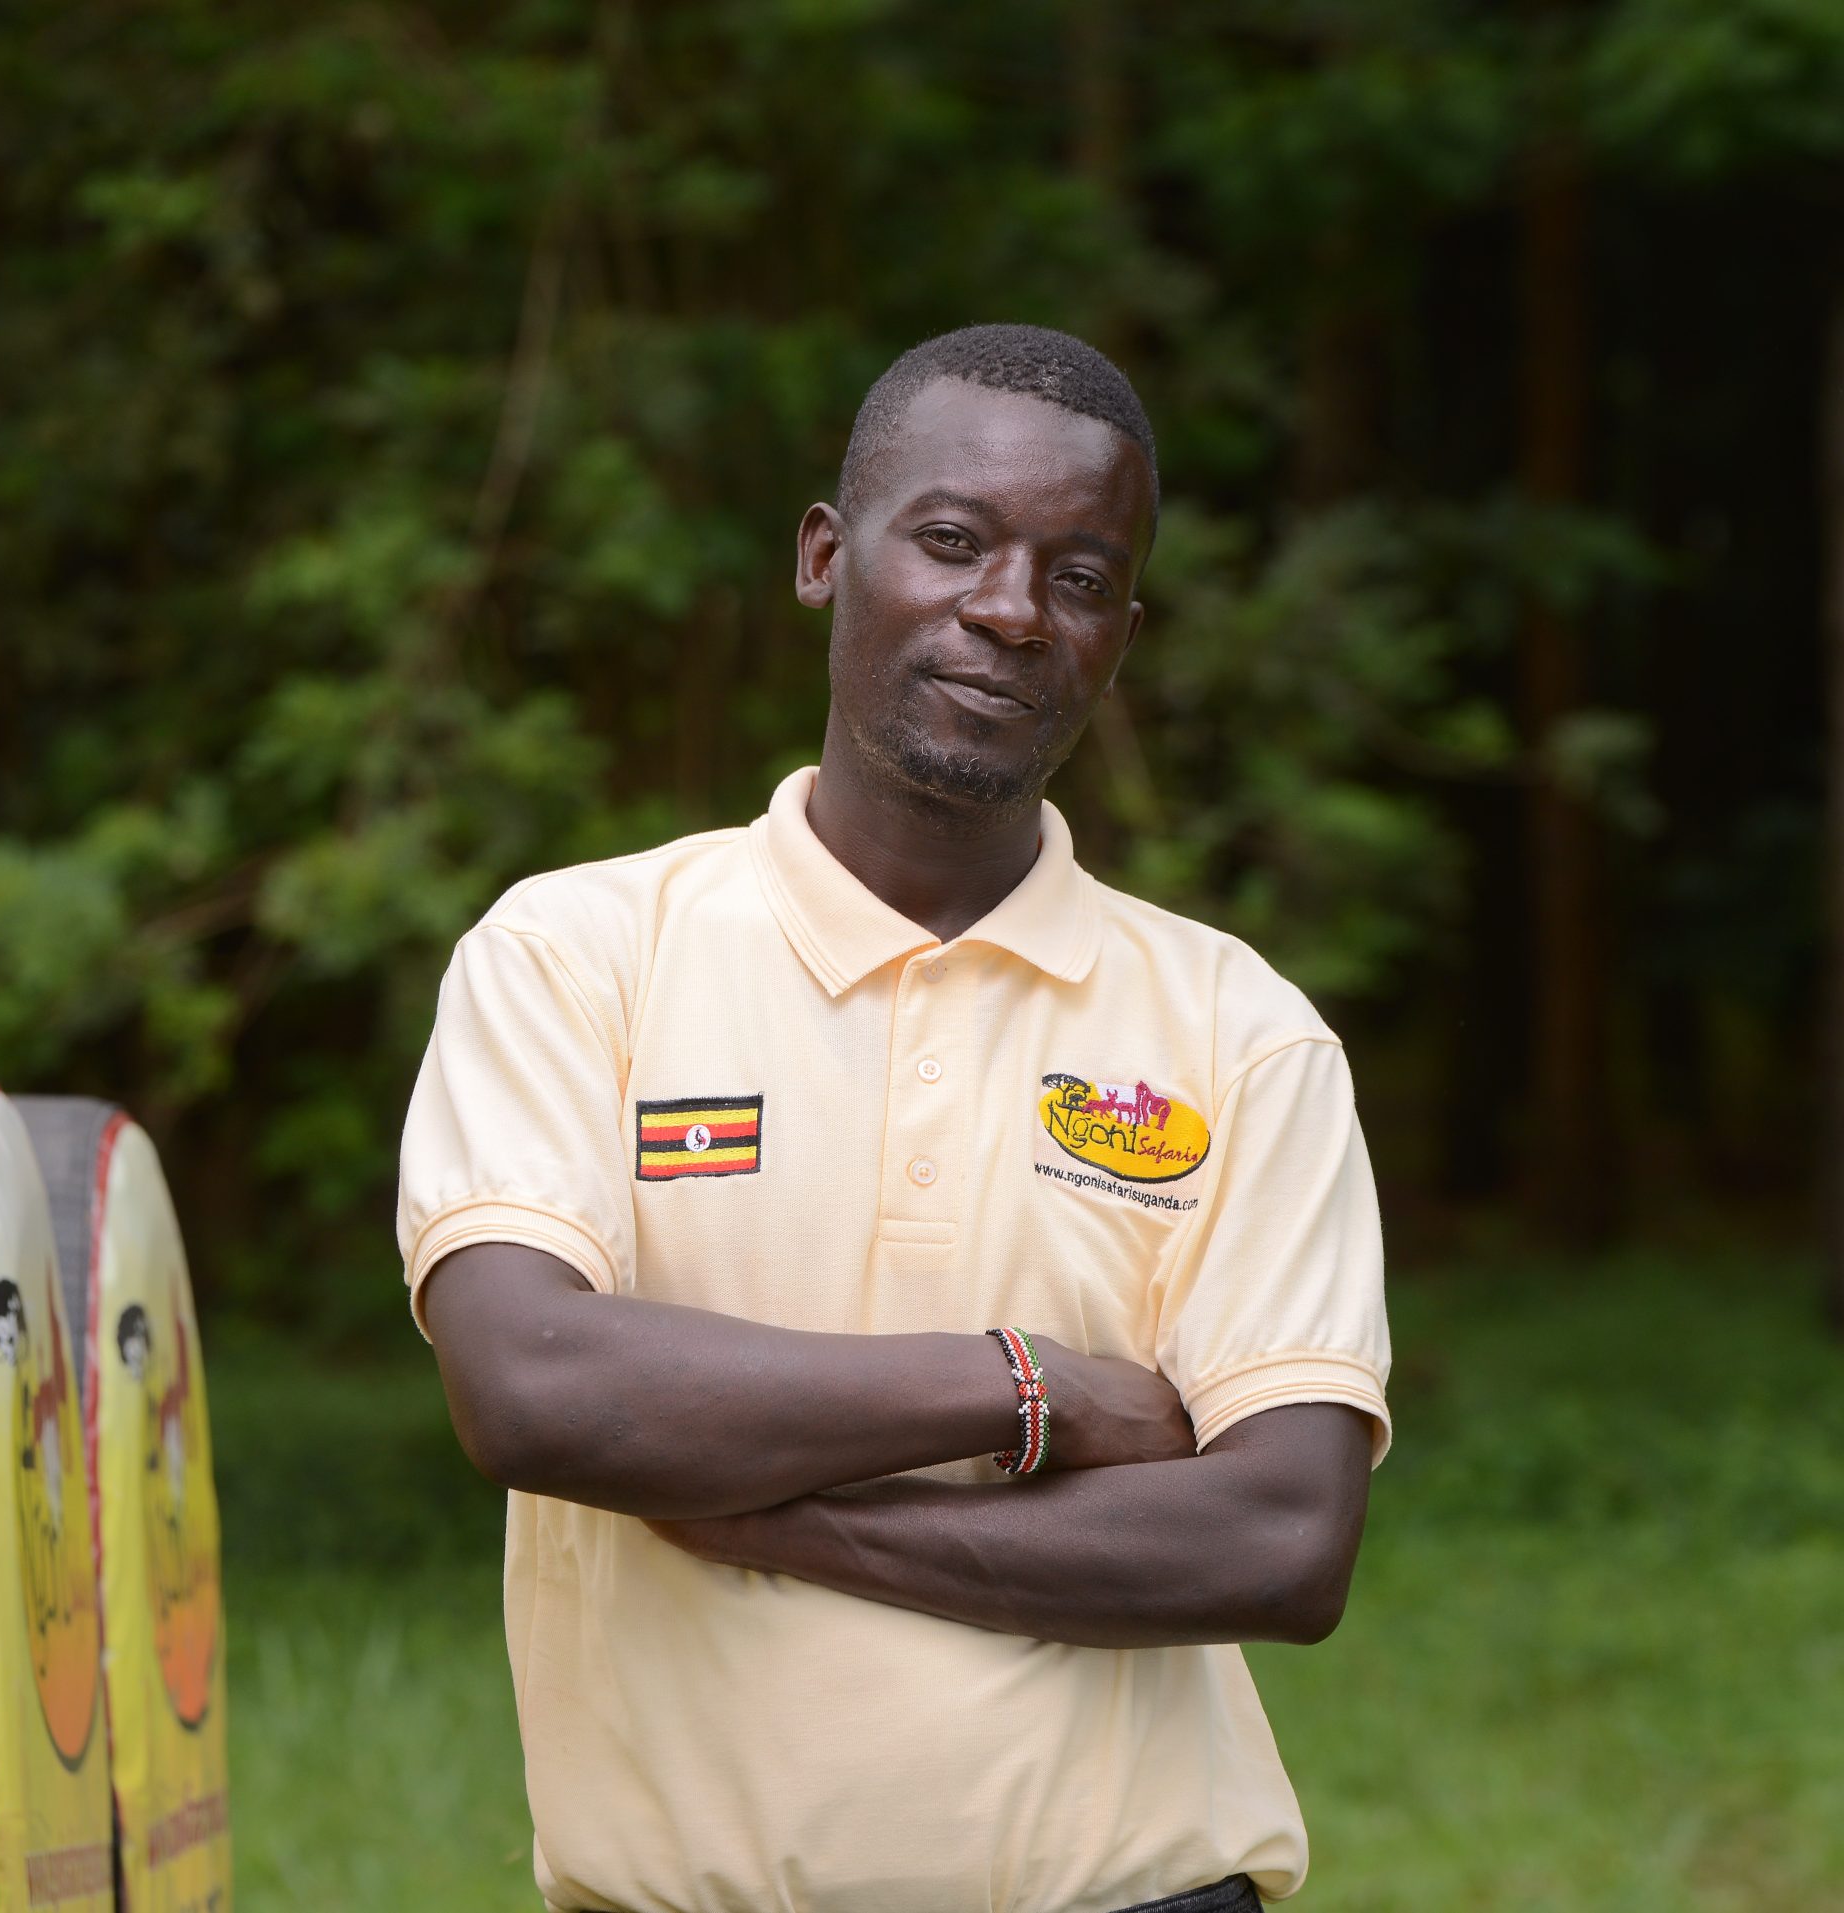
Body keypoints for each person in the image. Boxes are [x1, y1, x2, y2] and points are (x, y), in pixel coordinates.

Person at [398, 324, 1390, 1913]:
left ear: (1120, 636)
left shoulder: (1242, 1033)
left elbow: (1279, 1538)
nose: (1010, 609)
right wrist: (1027, 1386)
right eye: (952, 540)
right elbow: (532, 1384)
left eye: (1079, 577)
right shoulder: (576, 956)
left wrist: (769, 1518)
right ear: (823, 557)